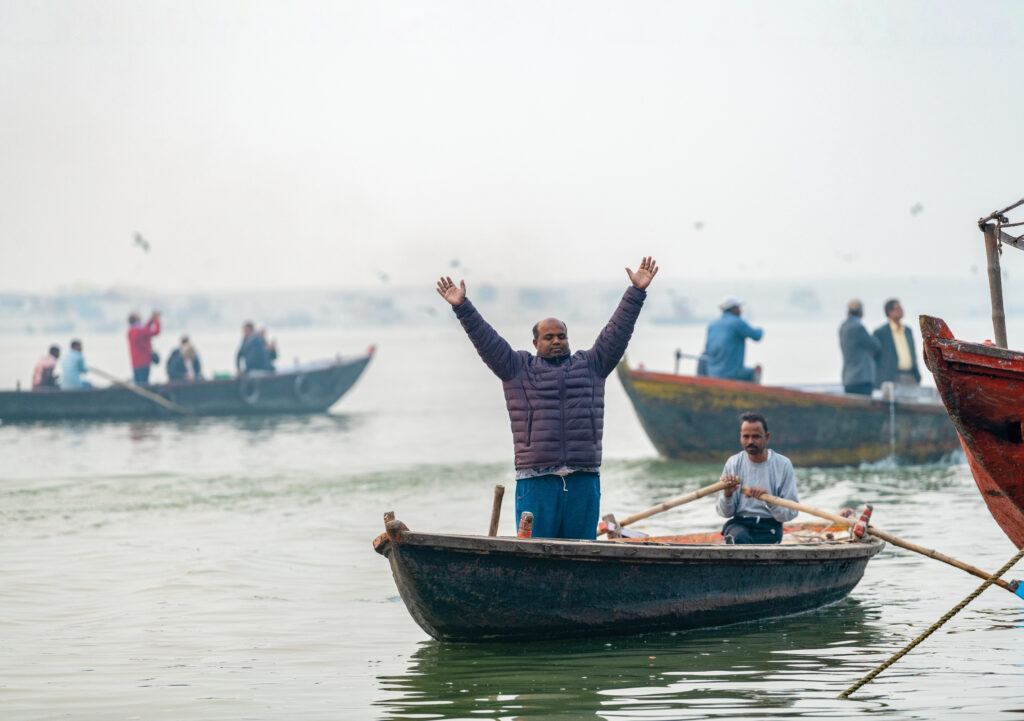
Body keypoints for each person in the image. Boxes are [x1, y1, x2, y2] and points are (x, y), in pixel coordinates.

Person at [437, 256, 659, 540]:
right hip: (536, 480)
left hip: (583, 479)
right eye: (549, 337)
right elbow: (487, 340)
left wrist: (636, 292)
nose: (556, 341)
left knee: (583, 557)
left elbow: (617, 332)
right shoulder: (516, 368)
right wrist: (462, 307)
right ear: (535, 343)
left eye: (561, 336)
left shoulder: (592, 365)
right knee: (535, 552)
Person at [716, 412, 798, 544]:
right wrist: (727, 494)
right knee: (739, 539)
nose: (750, 441)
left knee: (760, 549)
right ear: (740, 437)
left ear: (767, 437)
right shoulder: (733, 463)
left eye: (756, 437)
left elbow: (791, 513)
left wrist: (769, 500)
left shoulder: (783, 465)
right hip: (739, 524)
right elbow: (725, 514)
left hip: (769, 525)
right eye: (746, 436)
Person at [701, 296, 763, 382]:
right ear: (733, 309)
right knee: (756, 370)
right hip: (731, 374)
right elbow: (757, 336)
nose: (741, 310)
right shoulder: (737, 322)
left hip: (712, 373)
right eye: (738, 307)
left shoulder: (712, 324)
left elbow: (707, 349)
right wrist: (760, 330)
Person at [873, 298, 921, 386]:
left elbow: (913, 353)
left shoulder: (907, 331)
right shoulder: (881, 332)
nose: (901, 310)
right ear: (889, 312)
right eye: (898, 308)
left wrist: (917, 375)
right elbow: (874, 357)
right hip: (892, 377)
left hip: (911, 376)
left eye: (901, 308)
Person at [839, 299, 881, 395]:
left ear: (847, 312)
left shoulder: (843, 327)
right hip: (861, 377)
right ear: (862, 313)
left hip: (848, 377)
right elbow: (875, 345)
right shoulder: (858, 328)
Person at [128, 311, 161, 384]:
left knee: (138, 383)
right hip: (144, 361)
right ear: (137, 319)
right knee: (144, 383)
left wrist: (151, 320)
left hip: (135, 363)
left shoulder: (131, 331)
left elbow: (145, 329)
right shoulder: (140, 331)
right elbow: (156, 332)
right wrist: (157, 320)